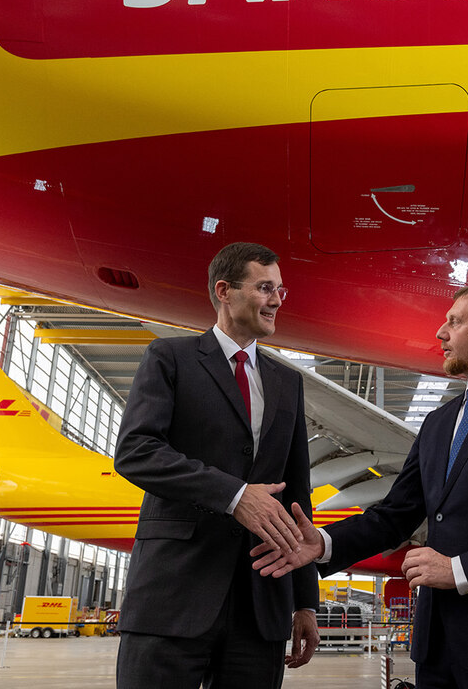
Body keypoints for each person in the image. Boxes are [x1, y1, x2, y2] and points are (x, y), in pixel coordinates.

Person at [254, 283, 468, 688]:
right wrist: (322, 544)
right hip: (436, 648)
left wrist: (458, 570)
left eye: (455, 321)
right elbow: (394, 517)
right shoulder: (439, 422)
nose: (440, 334)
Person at [113, 242, 318, 688]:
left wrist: (305, 600)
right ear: (224, 291)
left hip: (259, 606)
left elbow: (298, 495)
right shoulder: (170, 358)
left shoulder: (288, 382)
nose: (278, 299)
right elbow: (136, 451)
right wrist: (235, 496)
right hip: (173, 594)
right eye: (265, 288)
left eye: (281, 289)